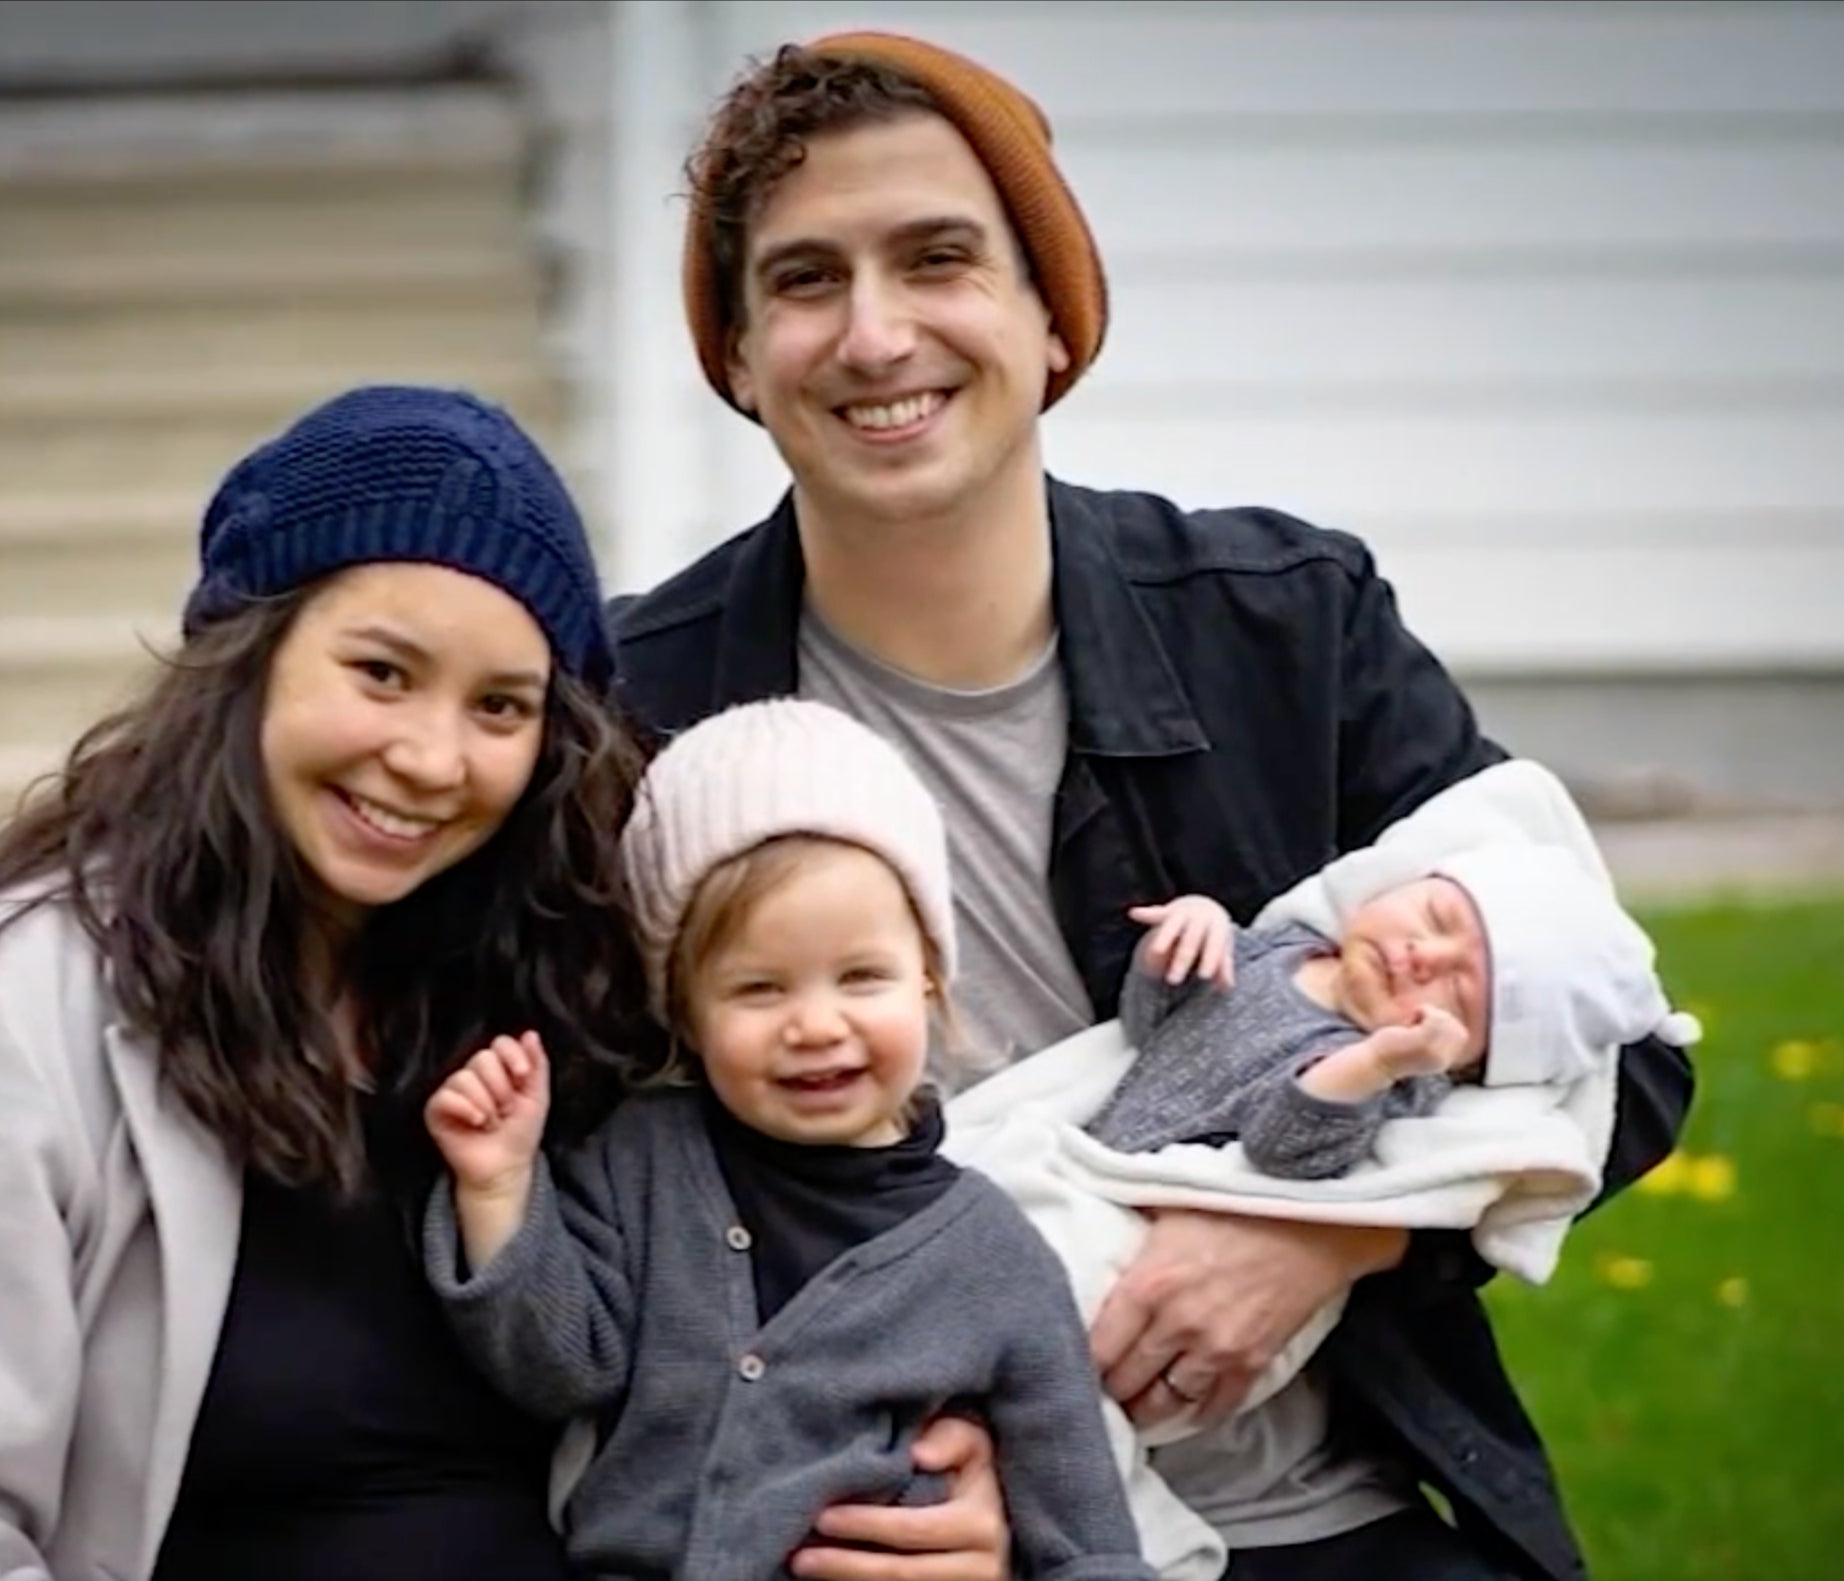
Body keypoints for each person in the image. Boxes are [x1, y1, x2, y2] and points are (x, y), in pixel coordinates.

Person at [607, 30, 1697, 1581]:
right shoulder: (636, 714)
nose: (874, 334)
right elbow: (588, 1178)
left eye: (938, 260)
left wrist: (1332, 1227)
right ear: (731, 352)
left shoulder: (1286, 625)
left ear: (1054, 316)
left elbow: (1633, 1053)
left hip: (1327, 1515)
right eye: (803, 280)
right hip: (873, 1510)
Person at [0, 386, 1003, 1581]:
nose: (432, 761)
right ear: (247, 656)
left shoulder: (555, 1003)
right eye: (381, 672)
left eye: (499, 707)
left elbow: (828, 1251)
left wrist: (948, 1490)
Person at [420, 696, 1155, 1581]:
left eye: (862, 976)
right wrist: (500, 1191)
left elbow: (1086, 1538)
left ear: (927, 976)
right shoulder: (639, 1160)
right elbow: (561, 1368)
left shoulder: (994, 1257)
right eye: (759, 988)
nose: (816, 1024)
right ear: (685, 1009)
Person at [1089, 842, 1689, 1181]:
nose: (1423, 956)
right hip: (1087, 1155)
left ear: (1462, 1064)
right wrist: (1189, 935)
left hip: (1146, 1209)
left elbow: (1283, 1147)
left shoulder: (1394, 1080)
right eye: (1435, 919)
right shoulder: (1283, 947)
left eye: (1459, 991)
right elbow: (1149, 1023)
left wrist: (1376, 1062)